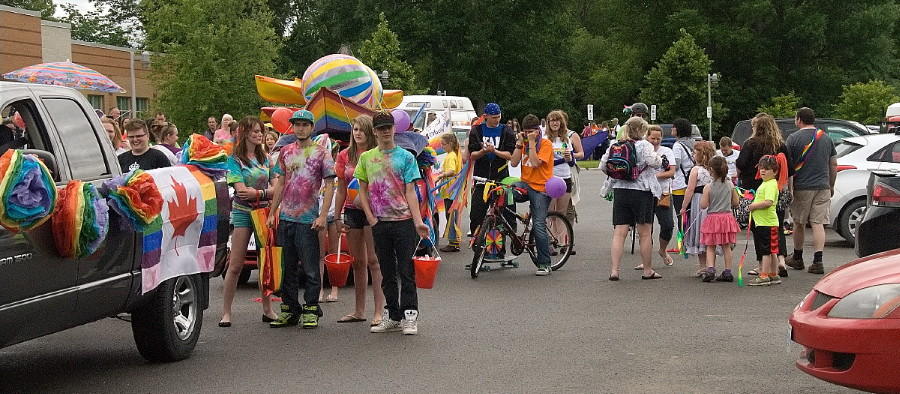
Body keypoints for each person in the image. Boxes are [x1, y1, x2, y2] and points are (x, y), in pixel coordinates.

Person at [355, 112, 430, 335]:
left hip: (404, 220)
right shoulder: (367, 158)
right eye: (381, 128)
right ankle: (392, 314)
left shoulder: (406, 157)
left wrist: (418, 221)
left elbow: (411, 190)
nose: (386, 131)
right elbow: (362, 188)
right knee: (386, 271)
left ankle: (410, 315)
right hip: (380, 221)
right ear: (375, 132)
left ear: (394, 129)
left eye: (389, 127)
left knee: (406, 270)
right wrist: (370, 216)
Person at [266, 109, 336, 329]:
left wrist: (323, 215)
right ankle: (289, 309)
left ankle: (311, 309)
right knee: (286, 267)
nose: (301, 128)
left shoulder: (322, 153)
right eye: (297, 125)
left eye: (305, 125)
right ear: (292, 127)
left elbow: (330, 184)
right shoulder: (285, 151)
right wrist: (271, 212)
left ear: (312, 128)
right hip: (286, 217)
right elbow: (281, 183)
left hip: (309, 219)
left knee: (310, 268)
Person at [220, 116, 278, 327]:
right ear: (243, 133)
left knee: (266, 263)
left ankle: (268, 309)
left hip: (264, 213)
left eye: (260, 130)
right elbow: (241, 191)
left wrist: (259, 192)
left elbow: (276, 188)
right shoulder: (234, 160)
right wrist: (264, 193)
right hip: (243, 213)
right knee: (235, 264)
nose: (258, 134)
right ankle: (226, 312)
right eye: (254, 131)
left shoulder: (266, 158)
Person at [334, 115, 385, 326]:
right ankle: (359, 310)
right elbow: (340, 189)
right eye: (355, 129)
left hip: (373, 211)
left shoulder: (377, 155)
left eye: (362, 129)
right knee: (358, 262)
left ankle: (379, 311)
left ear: (370, 132)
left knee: (374, 260)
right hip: (351, 211)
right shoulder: (345, 156)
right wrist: (337, 216)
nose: (357, 133)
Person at [601, 116, 662, 281]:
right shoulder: (644, 145)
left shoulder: (615, 145)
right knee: (644, 232)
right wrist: (658, 159)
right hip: (642, 190)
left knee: (619, 232)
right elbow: (653, 162)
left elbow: (603, 165)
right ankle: (647, 270)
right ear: (642, 130)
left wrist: (619, 174)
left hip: (620, 190)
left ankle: (614, 270)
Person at [735, 113, 791, 277]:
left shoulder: (751, 144)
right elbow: (790, 169)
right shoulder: (780, 145)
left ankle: (762, 267)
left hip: (755, 191)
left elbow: (740, 165)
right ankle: (780, 261)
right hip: (777, 189)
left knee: (759, 231)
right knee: (777, 226)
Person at [784, 107, 836, 275]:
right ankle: (817, 261)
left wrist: (789, 188)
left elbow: (788, 167)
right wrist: (831, 184)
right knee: (818, 223)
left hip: (802, 186)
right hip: (822, 186)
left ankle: (797, 257)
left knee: (799, 222)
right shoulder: (826, 138)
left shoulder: (793, 138)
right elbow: (833, 164)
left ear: (799, 119)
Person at [509, 114, 555, 275]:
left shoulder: (545, 144)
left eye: (531, 132)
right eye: (526, 132)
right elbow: (514, 162)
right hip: (526, 184)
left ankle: (544, 263)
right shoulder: (524, 144)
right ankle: (507, 224)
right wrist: (519, 144)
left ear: (537, 131)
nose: (528, 135)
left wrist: (532, 143)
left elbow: (535, 163)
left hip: (541, 188)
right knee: (505, 191)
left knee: (539, 226)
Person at [467, 103, 517, 242]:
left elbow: (510, 155)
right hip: (482, 177)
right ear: (486, 117)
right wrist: (483, 151)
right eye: (494, 117)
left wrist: (495, 151)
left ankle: (499, 245)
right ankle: (478, 242)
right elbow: (472, 155)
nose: (497, 120)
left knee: (502, 213)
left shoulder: (506, 131)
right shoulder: (476, 131)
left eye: (498, 117)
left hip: (500, 176)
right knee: (477, 212)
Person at [635, 125, 676, 270]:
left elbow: (671, 171)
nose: (656, 141)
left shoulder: (667, 152)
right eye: (653, 138)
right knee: (646, 229)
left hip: (662, 193)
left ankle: (662, 250)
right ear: (647, 137)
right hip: (645, 193)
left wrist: (654, 176)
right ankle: (646, 261)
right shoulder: (641, 150)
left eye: (659, 138)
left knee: (668, 225)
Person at [545, 110, 583, 256]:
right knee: (550, 211)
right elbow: (547, 162)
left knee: (562, 212)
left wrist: (570, 157)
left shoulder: (566, 139)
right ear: (548, 123)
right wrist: (562, 159)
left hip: (565, 177)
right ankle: (549, 240)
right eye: (552, 120)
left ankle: (563, 241)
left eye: (557, 120)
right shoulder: (546, 140)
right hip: (551, 178)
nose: (555, 123)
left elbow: (572, 161)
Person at [748, 154, 789, 286]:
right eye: (761, 168)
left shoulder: (770, 185)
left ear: (775, 171)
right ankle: (773, 274)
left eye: (767, 168)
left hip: (767, 223)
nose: (763, 171)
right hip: (764, 223)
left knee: (765, 251)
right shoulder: (766, 184)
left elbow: (768, 202)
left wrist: (753, 206)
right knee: (772, 250)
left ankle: (764, 275)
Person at [698, 156, 740, 282]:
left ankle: (710, 270)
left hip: (713, 219)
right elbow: (736, 202)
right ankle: (728, 272)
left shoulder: (708, 187)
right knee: (726, 246)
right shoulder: (730, 184)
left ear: (711, 170)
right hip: (726, 218)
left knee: (710, 246)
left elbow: (703, 205)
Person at [679, 141, 715, 275]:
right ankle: (712, 264)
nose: (693, 154)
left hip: (699, 201)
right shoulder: (714, 169)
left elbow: (690, 189)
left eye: (695, 152)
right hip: (713, 202)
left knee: (700, 230)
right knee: (710, 232)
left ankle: (703, 265)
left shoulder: (696, 170)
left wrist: (683, 207)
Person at [315, 134, 340, 304]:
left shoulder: (338, 169)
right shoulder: (314, 170)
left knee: (333, 254)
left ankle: (335, 289)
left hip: (333, 215)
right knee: (319, 254)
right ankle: (320, 289)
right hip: (318, 215)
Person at [670, 118, 696, 238]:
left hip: (680, 183)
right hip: (692, 182)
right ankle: (690, 239)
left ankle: (682, 242)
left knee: (681, 214)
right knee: (690, 214)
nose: (672, 128)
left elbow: (675, 165)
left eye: (674, 127)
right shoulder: (694, 143)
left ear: (678, 129)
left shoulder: (677, 146)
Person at [437, 132, 462, 252]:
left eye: (443, 144)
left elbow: (451, 170)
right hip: (450, 190)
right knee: (451, 216)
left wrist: (441, 175)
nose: (442, 146)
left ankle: (453, 242)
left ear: (450, 144)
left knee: (451, 216)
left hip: (451, 191)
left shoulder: (451, 156)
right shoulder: (451, 154)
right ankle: (453, 240)